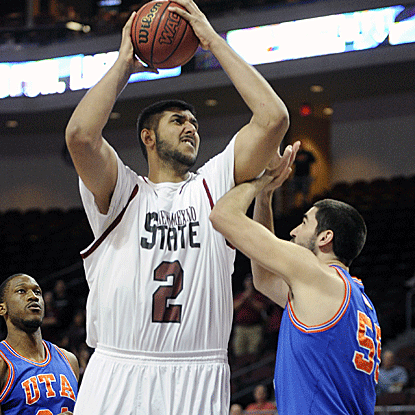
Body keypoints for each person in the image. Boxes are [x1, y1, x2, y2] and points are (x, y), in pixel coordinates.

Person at [64, 0, 289, 412]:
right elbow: (80, 136)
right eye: (177, 121)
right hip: (119, 369)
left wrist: (212, 42)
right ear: (148, 138)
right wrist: (123, 66)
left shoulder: (214, 185)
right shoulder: (122, 191)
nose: (191, 127)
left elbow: (273, 117)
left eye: (195, 124)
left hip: (199, 373)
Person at [209, 146, 382, 415]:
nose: (293, 230)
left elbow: (222, 216)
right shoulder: (354, 298)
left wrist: (258, 180)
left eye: (304, 222)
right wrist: (265, 198)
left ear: (325, 237)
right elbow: (264, 279)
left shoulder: (317, 274)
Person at [0, 274, 79, 415]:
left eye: (37, 292)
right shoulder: (2, 363)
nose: (33, 297)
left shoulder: (69, 360)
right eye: (21, 291)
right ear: (2, 308)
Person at [232, 274, 268, 359]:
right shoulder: (239, 295)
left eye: (251, 281)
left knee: (253, 351)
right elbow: (234, 307)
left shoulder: (258, 296)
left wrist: (251, 299)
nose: (249, 283)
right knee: (239, 351)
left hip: (254, 327)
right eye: (248, 281)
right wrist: (244, 297)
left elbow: (261, 308)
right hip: (240, 328)